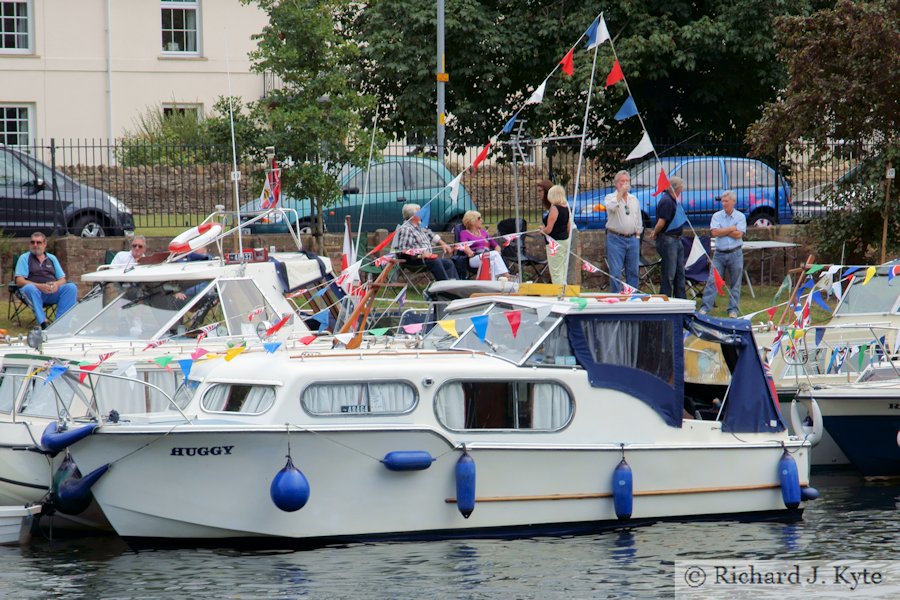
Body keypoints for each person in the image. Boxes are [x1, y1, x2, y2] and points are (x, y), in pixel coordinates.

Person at [14, 232, 78, 329]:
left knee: (71, 287)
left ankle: (61, 323)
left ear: (45, 244)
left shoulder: (52, 258)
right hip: (33, 293)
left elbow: (62, 279)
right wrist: (40, 286)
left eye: (38, 242)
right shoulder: (24, 258)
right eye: (33, 242)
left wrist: (56, 284)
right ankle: (43, 323)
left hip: (51, 291)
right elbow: (19, 281)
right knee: (30, 288)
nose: (35, 245)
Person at [700, 190, 746, 318]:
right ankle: (705, 308)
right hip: (719, 254)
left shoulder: (740, 217)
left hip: (735, 253)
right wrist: (732, 228)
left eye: (726, 201)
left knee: (735, 283)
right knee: (712, 280)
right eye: (722, 201)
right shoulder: (716, 216)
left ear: (733, 201)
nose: (724, 204)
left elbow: (739, 235)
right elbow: (714, 233)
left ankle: (733, 310)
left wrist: (723, 230)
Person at [394, 204, 458, 281]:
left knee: (448, 263)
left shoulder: (420, 225)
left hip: (428, 258)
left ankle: (454, 286)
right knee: (436, 262)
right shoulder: (406, 229)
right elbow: (404, 250)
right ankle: (444, 287)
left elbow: (431, 235)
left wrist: (443, 244)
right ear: (414, 215)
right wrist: (421, 254)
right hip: (415, 260)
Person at [603, 170, 643, 292]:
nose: (625, 184)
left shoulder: (633, 199)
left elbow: (638, 218)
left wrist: (637, 234)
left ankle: (632, 297)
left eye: (627, 181)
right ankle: (616, 297)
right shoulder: (610, 197)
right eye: (622, 181)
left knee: (633, 272)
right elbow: (611, 207)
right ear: (616, 183)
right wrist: (620, 194)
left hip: (632, 239)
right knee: (615, 272)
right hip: (616, 239)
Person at [648, 176, 686, 298]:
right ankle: (666, 298)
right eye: (681, 186)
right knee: (669, 273)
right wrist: (655, 232)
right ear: (676, 188)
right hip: (668, 240)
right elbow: (661, 222)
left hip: (677, 239)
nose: (682, 189)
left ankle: (681, 299)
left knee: (680, 272)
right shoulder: (666, 201)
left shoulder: (673, 200)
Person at [458, 210, 509, 280]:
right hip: (474, 258)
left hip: (488, 256)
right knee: (494, 255)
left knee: (493, 261)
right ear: (472, 221)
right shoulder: (464, 233)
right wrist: (470, 252)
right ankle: (507, 276)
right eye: (479, 218)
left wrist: (498, 252)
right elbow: (464, 246)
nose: (481, 220)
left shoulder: (484, 233)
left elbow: (496, 246)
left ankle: (494, 284)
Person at [538, 185, 571, 285]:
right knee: (563, 269)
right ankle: (563, 290)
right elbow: (568, 227)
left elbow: (549, 229)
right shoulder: (566, 207)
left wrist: (541, 231)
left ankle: (558, 293)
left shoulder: (555, 208)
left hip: (554, 243)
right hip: (564, 240)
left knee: (555, 270)